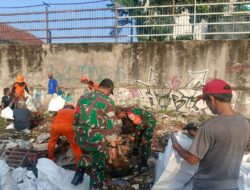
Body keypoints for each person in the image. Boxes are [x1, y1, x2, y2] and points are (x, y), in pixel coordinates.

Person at [171, 79, 250, 190]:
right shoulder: (244, 122)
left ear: (212, 99)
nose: (207, 105)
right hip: (231, 186)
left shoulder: (208, 126)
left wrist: (177, 146)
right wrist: (198, 136)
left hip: (207, 186)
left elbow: (192, 160)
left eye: (206, 102)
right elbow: (224, 142)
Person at [72, 78, 117, 189]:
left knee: (86, 155)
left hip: (81, 136)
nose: (109, 95)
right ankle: (95, 187)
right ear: (109, 89)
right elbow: (110, 124)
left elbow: (76, 117)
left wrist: (75, 134)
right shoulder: (108, 102)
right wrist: (112, 145)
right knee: (97, 167)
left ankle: (77, 176)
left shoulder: (83, 98)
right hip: (97, 140)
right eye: (110, 92)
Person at [116, 106, 156, 172]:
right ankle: (136, 153)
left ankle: (144, 163)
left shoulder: (130, 114)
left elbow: (140, 125)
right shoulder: (124, 117)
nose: (116, 117)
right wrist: (120, 136)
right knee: (137, 139)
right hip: (141, 123)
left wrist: (135, 136)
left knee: (145, 142)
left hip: (149, 122)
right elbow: (126, 128)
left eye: (117, 115)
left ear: (121, 112)